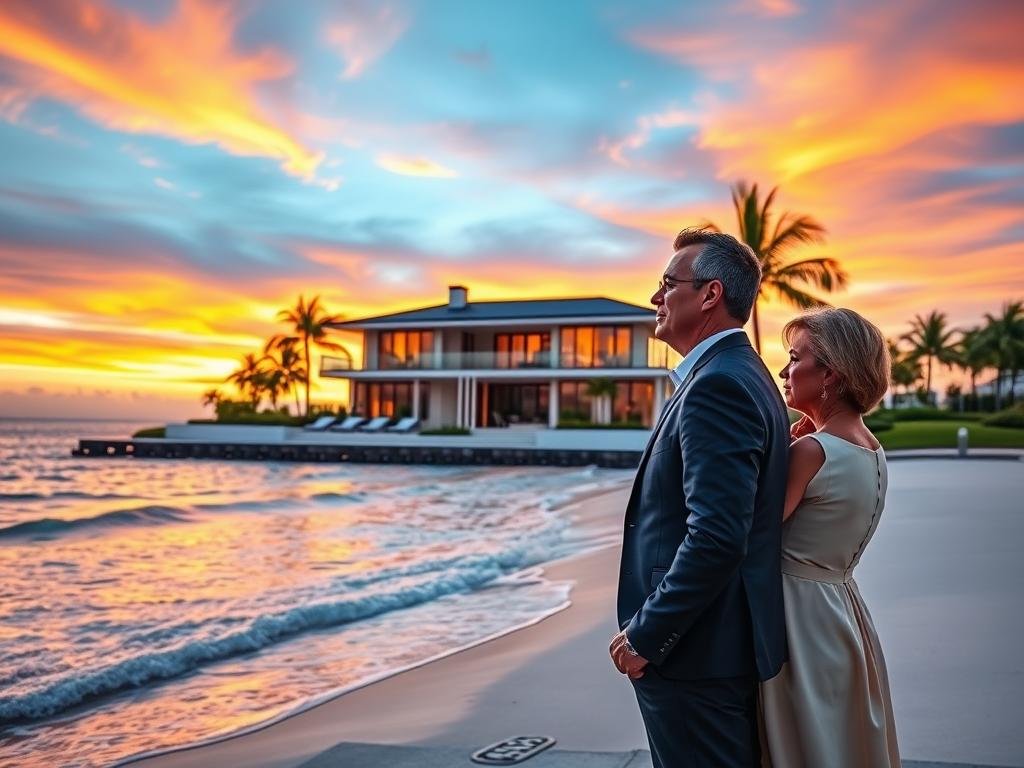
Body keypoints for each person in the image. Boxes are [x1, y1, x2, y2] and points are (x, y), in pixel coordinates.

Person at [610, 228, 790, 767]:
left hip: (694, 654)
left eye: (668, 283)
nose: (655, 297)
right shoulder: (736, 374)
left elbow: (715, 535)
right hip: (707, 649)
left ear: (710, 294)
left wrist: (648, 634)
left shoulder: (720, 385)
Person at [760, 307, 901, 767]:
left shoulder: (811, 451)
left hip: (798, 617)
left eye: (795, 357)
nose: (784, 370)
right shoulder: (872, 450)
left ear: (831, 375)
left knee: (800, 743)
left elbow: (749, 534)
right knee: (837, 740)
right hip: (843, 611)